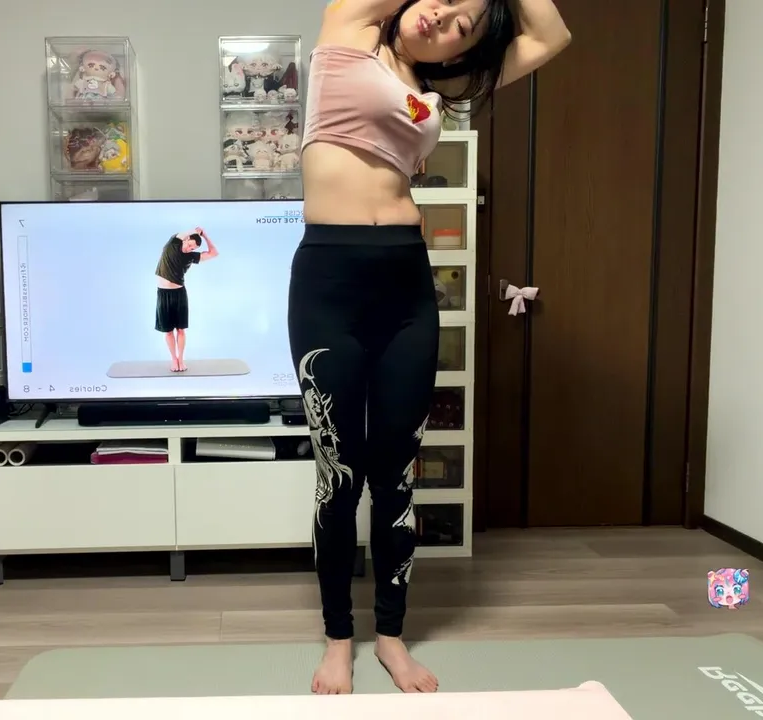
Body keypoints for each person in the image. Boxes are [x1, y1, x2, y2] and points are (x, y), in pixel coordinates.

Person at [290, 0, 570, 695]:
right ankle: (337, 638)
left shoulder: (440, 86)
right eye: (442, 2)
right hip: (328, 283)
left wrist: (480, 18)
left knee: (396, 477)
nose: (443, 18)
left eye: (461, 28)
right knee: (338, 475)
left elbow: (551, 34)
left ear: (460, 55)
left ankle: (390, 636)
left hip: (406, 285)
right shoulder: (349, 32)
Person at [155, 227, 218, 372]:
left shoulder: (191, 256)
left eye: (193, 248)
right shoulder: (172, 244)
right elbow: (181, 234)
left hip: (179, 294)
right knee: (168, 331)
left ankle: (181, 360)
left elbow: (214, 253)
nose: (190, 249)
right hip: (163, 294)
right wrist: (196, 232)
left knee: (181, 330)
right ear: (186, 239)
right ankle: (174, 359)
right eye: (189, 245)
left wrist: (205, 236)